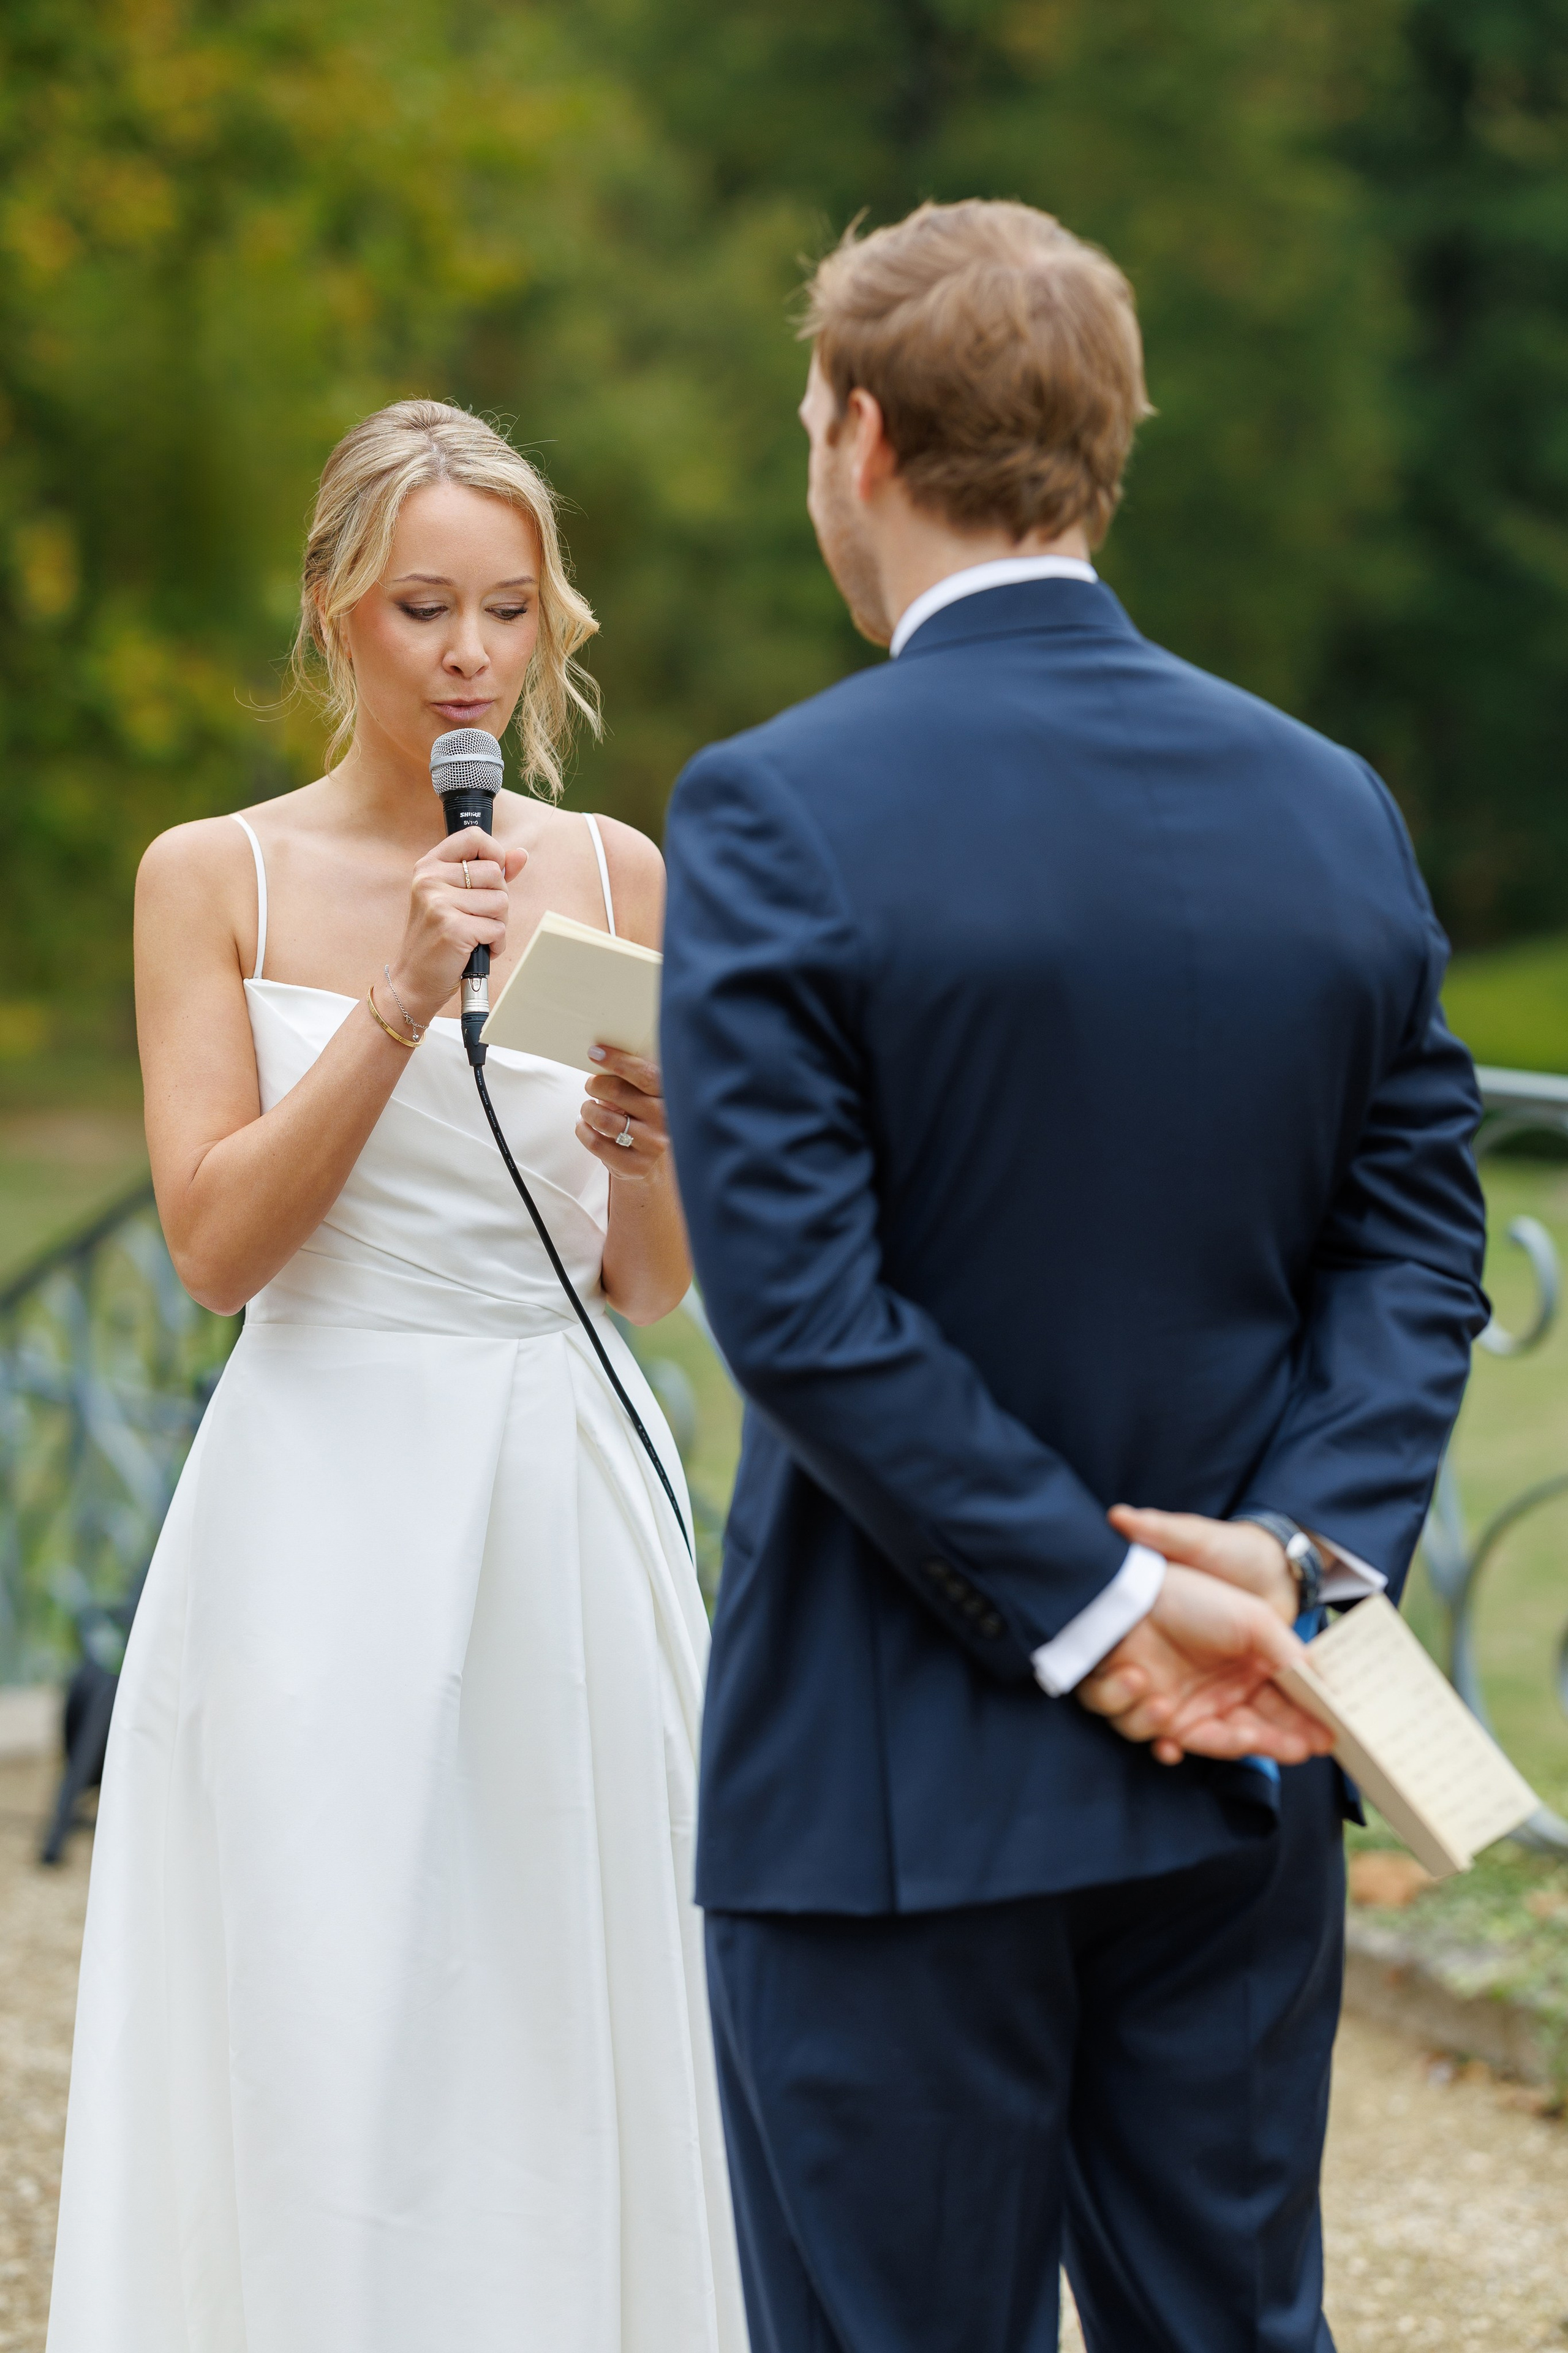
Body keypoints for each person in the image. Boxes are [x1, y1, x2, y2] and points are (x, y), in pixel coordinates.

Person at [659, 203, 1489, 2353]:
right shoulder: (1333, 806)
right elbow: (1419, 1230)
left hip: (884, 1791)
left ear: (852, 433)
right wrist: (1291, 1565)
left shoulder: (775, 809)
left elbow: (806, 1306)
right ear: (1111, 442)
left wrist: (1103, 1613)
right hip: (1245, 1761)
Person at [48, 400, 745, 2353]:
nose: (467, 654)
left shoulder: (615, 869)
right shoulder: (216, 877)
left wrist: (655, 1137)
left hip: (561, 1484)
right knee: (329, 1990)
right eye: (423, 604)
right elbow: (211, 1249)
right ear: (336, 613)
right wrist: (387, 1004)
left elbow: (650, 1285)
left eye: (507, 611)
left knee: (568, 1987)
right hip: (321, 1485)